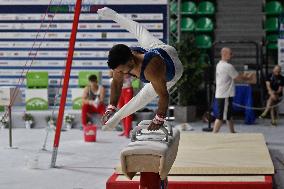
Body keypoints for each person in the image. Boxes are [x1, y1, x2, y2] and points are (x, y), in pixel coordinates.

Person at [97, 7, 183, 131]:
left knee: (141, 98)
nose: (120, 73)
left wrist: (159, 118)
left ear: (131, 60)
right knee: (140, 31)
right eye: (118, 71)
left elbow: (164, 96)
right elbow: (116, 84)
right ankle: (114, 15)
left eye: (122, 70)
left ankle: (116, 119)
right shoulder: (121, 61)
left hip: (174, 70)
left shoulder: (151, 68)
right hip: (157, 47)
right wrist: (111, 107)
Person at [213, 47, 253, 133]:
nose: (232, 55)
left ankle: (232, 132)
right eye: (230, 54)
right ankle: (213, 135)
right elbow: (238, 78)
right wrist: (248, 77)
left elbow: (235, 76)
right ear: (224, 54)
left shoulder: (219, 64)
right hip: (225, 95)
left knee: (229, 115)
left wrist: (244, 76)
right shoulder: (227, 66)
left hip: (223, 94)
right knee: (220, 117)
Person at [109, 71, 134, 138]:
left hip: (128, 89)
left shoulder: (127, 65)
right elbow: (111, 74)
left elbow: (129, 75)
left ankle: (127, 131)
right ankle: (125, 130)